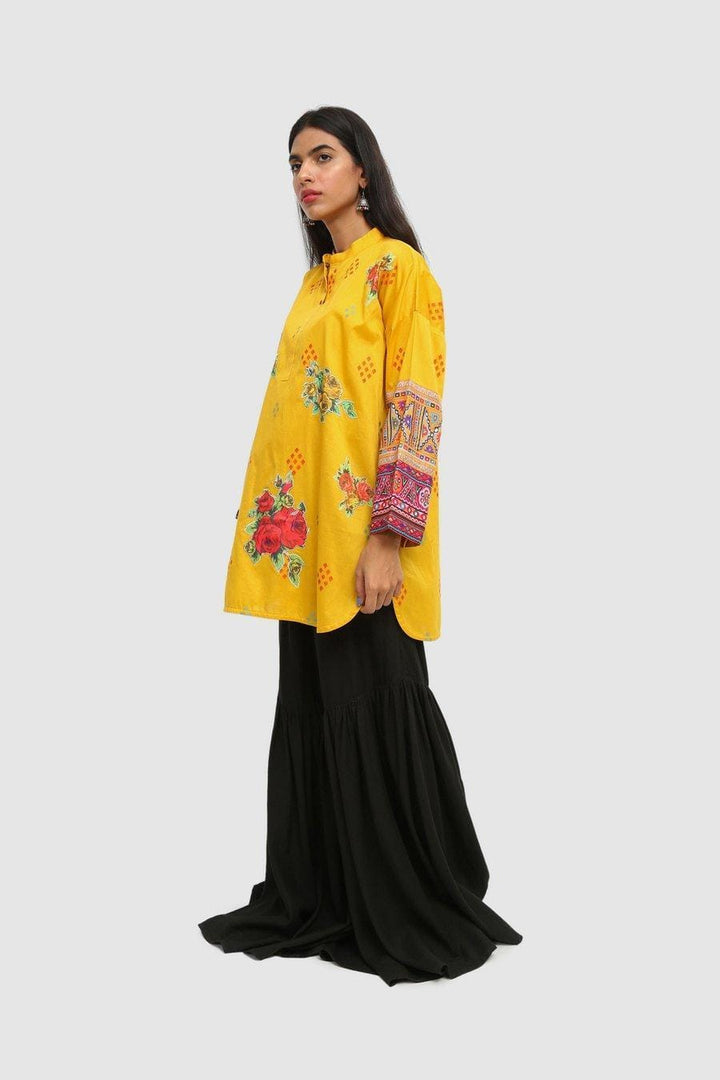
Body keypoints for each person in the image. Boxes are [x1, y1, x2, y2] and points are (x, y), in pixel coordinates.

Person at [197, 106, 523, 986]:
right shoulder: (318, 283)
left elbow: (415, 404)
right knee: (315, 704)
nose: (304, 175)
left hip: (366, 538)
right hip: (304, 546)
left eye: (322, 156)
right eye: (294, 162)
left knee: (376, 696)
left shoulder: (399, 270)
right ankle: (328, 891)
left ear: (363, 170)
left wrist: (387, 537)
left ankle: (409, 896)